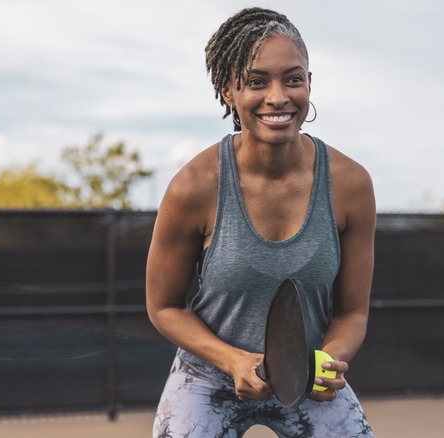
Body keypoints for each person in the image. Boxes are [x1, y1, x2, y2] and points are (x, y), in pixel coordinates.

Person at [145, 7, 376, 438]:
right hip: (210, 375)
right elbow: (163, 307)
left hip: (304, 373)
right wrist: (234, 360)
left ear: (309, 83)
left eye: (293, 78)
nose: (278, 97)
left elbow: (353, 311)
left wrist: (327, 360)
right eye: (256, 81)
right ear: (228, 91)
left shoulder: (351, 184)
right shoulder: (193, 186)